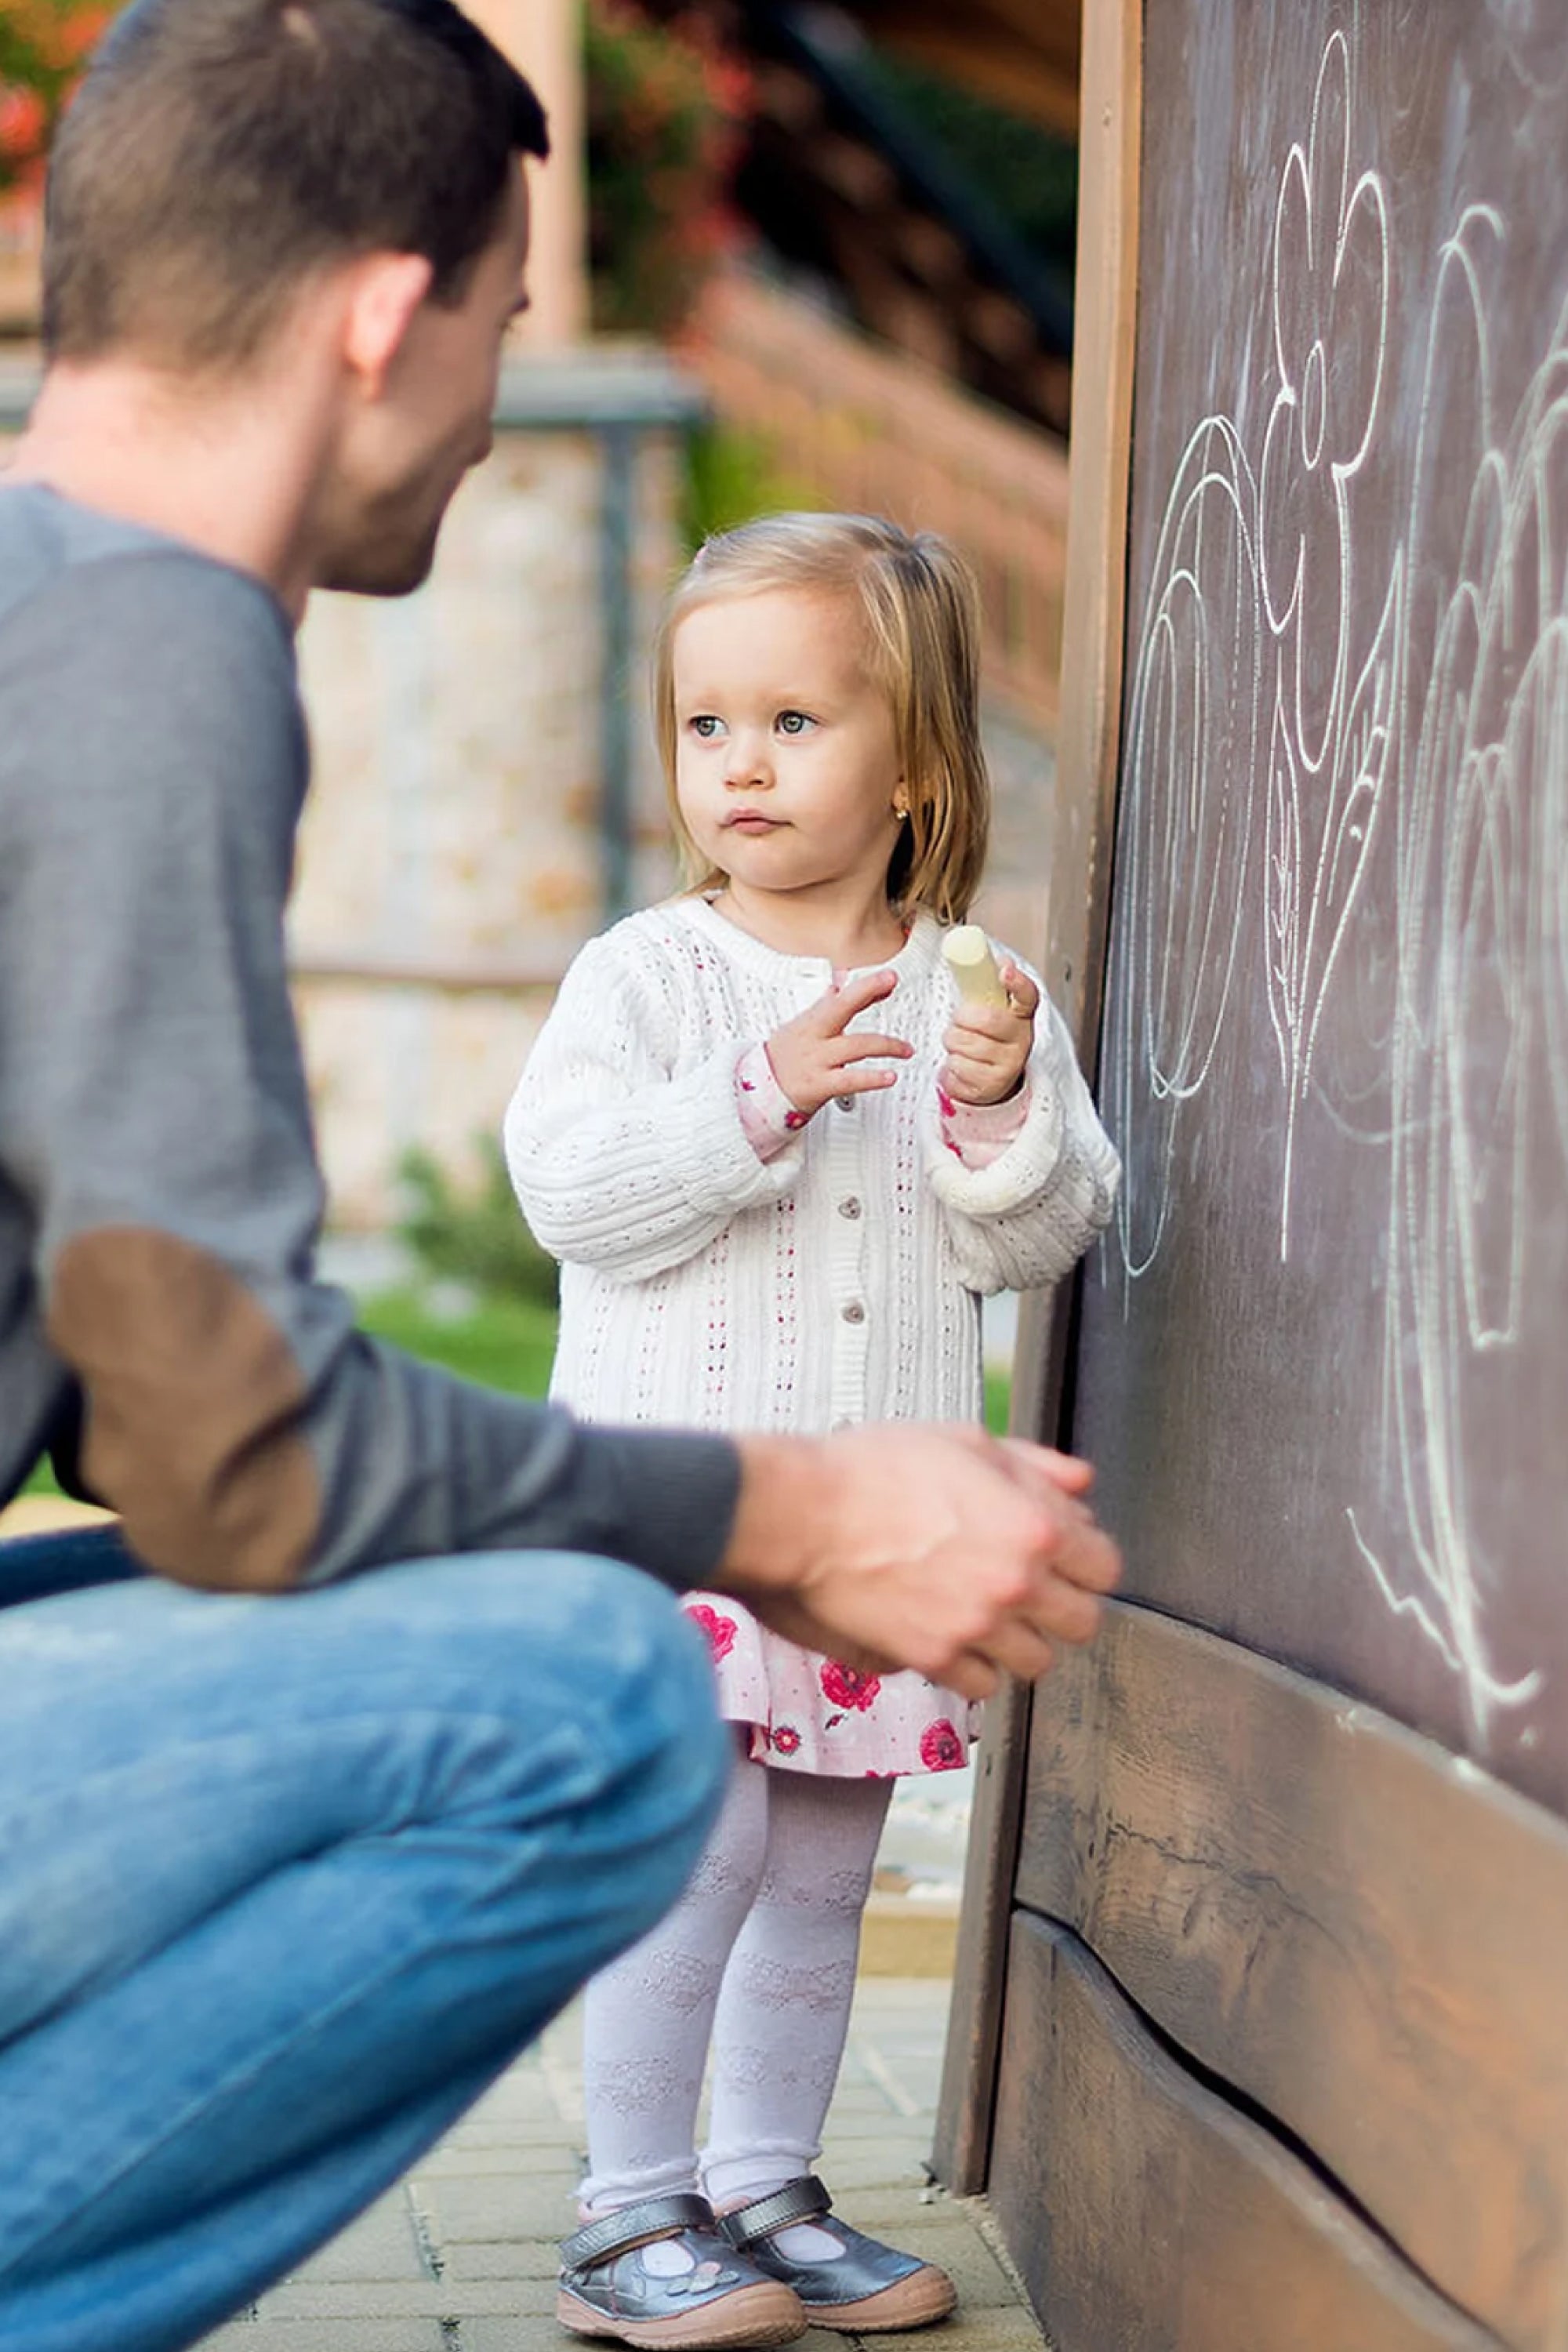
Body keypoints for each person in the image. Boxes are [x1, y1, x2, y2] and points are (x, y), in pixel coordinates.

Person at [0, 7, 1120, 2349]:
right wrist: (789, 1516)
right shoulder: (143, 654)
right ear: (385, 319)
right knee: (593, 1701)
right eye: (509, 325)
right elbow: (240, 1441)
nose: (507, 393)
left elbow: (129, 1413)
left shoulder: (43, 604)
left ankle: (754, 2185)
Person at [504, 513, 1122, 2348]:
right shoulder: (644, 981)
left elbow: (1035, 1232)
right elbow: (573, 1192)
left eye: (793, 722)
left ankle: (765, 2185)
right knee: (695, 1855)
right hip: (693, 1524)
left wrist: (997, 1107)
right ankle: (628, 2216)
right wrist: (759, 1094)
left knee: (823, 1878)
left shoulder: (975, 993)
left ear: (917, 765)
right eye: (708, 728)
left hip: (871, 1550)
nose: (740, 766)